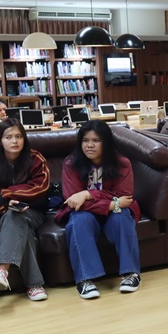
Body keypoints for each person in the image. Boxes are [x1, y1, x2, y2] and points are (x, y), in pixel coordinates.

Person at [56, 121, 142, 300]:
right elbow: (73, 201)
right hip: (89, 212)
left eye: (96, 140)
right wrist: (109, 204)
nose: (90, 145)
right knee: (79, 219)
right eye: (85, 140)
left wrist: (87, 194)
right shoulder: (71, 163)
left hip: (114, 212)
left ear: (106, 142)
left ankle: (131, 273)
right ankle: (85, 279)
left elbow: (123, 196)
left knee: (121, 216)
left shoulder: (122, 163)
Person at [0, 118, 51, 301]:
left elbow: (40, 188)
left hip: (33, 211)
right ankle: (34, 285)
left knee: (17, 216)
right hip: (1, 215)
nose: (14, 141)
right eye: (8, 137)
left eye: (19, 136)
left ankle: (3, 270)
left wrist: (6, 195)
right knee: (17, 221)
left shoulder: (36, 158)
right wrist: (3, 203)